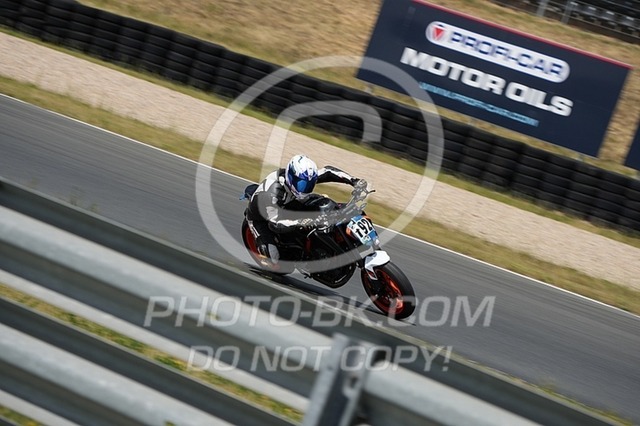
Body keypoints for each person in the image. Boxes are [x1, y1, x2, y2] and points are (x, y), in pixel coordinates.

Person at [245, 154, 365, 270]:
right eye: (302, 184)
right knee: (273, 257)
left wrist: (354, 181)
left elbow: (328, 171)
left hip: (289, 202)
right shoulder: (272, 194)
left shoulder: (304, 177)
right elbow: (276, 224)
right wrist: (301, 222)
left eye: (309, 185)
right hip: (262, 217)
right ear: (291, 177)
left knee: (325, 206)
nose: (305, 188)